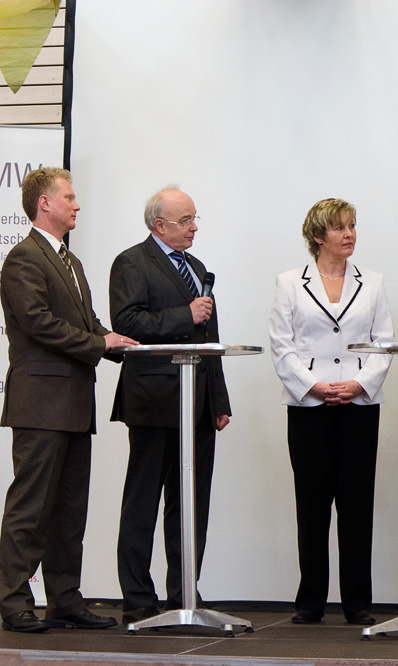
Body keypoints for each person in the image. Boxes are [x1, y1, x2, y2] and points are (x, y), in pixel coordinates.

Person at [0, 168, 137, 633]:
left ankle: (65, 599)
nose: (77, 205)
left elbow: (86, 322)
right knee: (31, 506)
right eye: (70, 197)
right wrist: (99, 345)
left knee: (69, 508)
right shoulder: (24, 258)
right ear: (44, 204)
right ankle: (14, 600)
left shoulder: (69, 262)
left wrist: (114, 341)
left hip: (76, 402)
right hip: (40, 402)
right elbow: (38, 323)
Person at [109, 187, 231, 625]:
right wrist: (186, 315)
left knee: (191, 502)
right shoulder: (131, 261)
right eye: (186, 220)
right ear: (159, 225)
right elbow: (127, 323)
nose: (194, 227)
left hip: (197, 403)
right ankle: (138, 597)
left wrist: (219, 399)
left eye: (195, 219)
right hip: (154, 400)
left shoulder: (197, 268)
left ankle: (184, 593)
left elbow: (209, 339)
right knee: (143, 501)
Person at [269, 198, 393, 625]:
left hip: (359, 404)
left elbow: (383, 344)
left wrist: (359, 384)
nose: (350, 234)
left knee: (358, 504)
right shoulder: (289, 281)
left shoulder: (373, 282)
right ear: (318, 235)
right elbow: (282, 348)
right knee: (313, 502)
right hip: (309, 407)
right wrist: (314, 387)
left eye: (353, 226)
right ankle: (310, 601)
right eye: (341, 228)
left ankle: (358, 601)